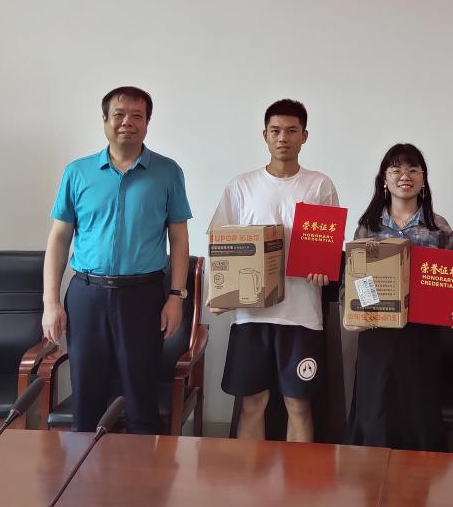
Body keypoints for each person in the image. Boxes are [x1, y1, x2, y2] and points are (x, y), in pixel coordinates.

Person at [42, 86, 191, 434]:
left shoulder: (168, 172)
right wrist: (50, 302)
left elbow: (179, 238)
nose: (127, 122)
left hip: (143, 296)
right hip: (87, 294)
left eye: (137, 116)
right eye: (119, 115)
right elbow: (59, 238)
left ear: (147, 123)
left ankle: (143, 468)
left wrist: (175, 297)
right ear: (105, 120)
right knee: (86, 393)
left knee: (141, 395)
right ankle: (83, 465)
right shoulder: (78, 172)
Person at [208, 99, 339, 443]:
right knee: (252, 403)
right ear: (265, 135)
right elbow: (220, 244)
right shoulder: (241, 186)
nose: (283, 138)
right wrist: (220, 294)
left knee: (299, 405)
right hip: (251, 315)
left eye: (292, 131)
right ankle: (249, 478)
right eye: (276, 131)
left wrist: (323, 270)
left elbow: (327, 249)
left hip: (302, 314)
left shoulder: (319, 185)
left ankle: (298, 478)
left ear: (304, 136)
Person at [343, 143, 453, 451]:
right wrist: (353, 313)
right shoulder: (369, 226)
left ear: (423, 179)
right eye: (396, 169)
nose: (405, 176)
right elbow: (354, 279)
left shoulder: (438, 227)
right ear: (384, 180)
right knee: (375, 414)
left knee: (418, 415)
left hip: (421, 339)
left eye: (413, 170)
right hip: (377, 335)